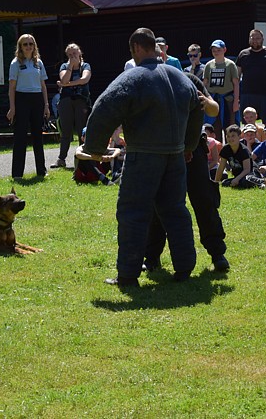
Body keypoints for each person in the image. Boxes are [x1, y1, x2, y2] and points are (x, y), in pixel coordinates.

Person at [83, 27, 203, 287]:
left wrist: (94, 147)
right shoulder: (180, 76)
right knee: (176, 211)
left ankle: (128, 274)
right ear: (156, 49)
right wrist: (189, 145)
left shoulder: (133, 78)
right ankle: (184, 268)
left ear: (137, 48)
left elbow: (104, 107)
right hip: (175, 156)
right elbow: (198, 107)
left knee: (133, 213)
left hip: (143, 156)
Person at [145, 72, 230, 274]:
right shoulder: (149, 83)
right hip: (163, 151)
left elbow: (214, 109)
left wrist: (205, 102)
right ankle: (152, 257)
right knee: (159, 204)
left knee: (204, 200)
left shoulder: (189, 80)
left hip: (194, 148)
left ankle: (217, 253)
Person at [7, 34, 50, 180]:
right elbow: (11, 87)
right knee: (20, 137)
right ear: (20, 46)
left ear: (34, 46)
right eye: (25, 44)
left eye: (31, 44)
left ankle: (41, 171)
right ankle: (17, 174)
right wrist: (12, 107)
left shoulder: (39, 63)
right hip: (21, 98)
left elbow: (43, 86)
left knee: (38, 136)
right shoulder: (15, 63)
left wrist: (46, 105)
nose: (28, 47)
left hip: (37, 98)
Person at [51, 43, 91, 169]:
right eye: (69, 55)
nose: (73, 56)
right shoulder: (64, 66)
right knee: (66, 131)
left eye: (74, 53)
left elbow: (85, 79)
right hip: (66, 100)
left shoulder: (85, 65)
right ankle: (61, 159)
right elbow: (63, 80)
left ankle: (82, 158)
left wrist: (67, 84)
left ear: (80, 53)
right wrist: (70, 67)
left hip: (81, 100)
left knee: (81, 130)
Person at [235, 29, 266, 124]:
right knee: (247, 126)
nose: (255, 40)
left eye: (258, 38)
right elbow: (236, 77)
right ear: (249, 39)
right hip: (247, 95)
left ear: (262, 39)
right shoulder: (243, 54)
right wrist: (236, 96)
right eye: (252, 38)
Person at [203, 39, 240, 137]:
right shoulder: (208, 65)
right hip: (213, 100)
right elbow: (204, 84)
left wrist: (236, 101)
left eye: (218, 50)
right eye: (214, 50)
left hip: (228, 100)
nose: (216, 52)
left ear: (224, 50)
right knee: (214, 128)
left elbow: (236, 84)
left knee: (230, 128)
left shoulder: (230, 64)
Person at [215, 124, 256, 188]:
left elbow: (247, 170)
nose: (230, 138)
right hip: (237, 176)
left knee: (244, 181)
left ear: (239, 137)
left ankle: (260, 183)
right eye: (228, 136)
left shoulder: (244, 150)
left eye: (233, 136)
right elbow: (221, 167)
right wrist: (215, 183)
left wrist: (237, 179)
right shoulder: (225, 149)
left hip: (249, 175)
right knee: (224, 183)